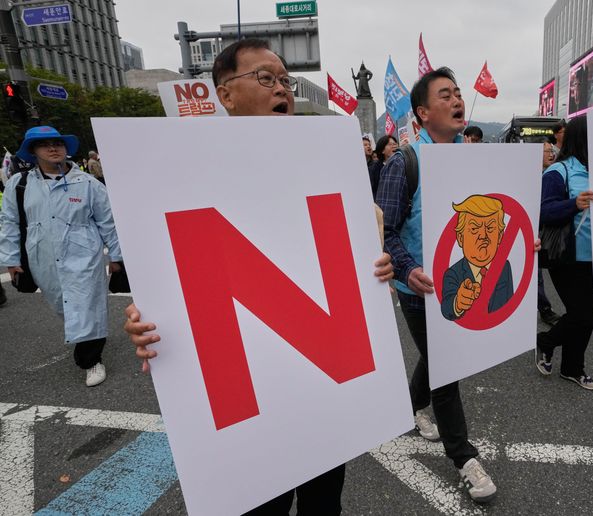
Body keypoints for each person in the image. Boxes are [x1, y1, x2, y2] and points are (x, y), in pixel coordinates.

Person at [121, 38, 394, 515]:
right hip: (248, 390)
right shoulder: (180, 174)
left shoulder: (328, 165)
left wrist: (375, 269)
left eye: (285, 80)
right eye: (265, 79)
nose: (280, 89)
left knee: (324, 499)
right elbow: (167, 271)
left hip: (319, 385)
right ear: (225, 95)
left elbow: (357, 251)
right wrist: (147, 318)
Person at [375, 67, 497, 503]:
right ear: (423, 113)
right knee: (447, 369)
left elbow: (497, 215)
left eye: (459, 93)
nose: (458, 100)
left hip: (463, 282)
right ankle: (465, 458)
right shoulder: (403, 163)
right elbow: (384, 231)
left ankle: (406, 407)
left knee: (440, 360)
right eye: (445, 95)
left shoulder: (475, 159)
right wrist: (408, 269)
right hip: (421, 290)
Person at [0, 125, 123, 386]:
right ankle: (88, 336)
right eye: (45, 144)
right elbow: (9, 221)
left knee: (87, 304)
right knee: (63, 304)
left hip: (84, 255)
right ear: (33, 152)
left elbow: (108, 222)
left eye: (58, 143)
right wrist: (11, 260)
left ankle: (91, 359)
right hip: (41, 257)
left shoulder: (88, 184)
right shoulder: (19, 185)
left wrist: (116, 256)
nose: (53, 148)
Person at [534, 115, 593, 390]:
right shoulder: (559, 171)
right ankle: (545, 342)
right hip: (568, 258)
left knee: (588, 318)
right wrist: (574, 204)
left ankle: (573, 368)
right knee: (580, 315)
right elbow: (543, 211)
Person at [441, 195, 513, 321]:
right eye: (474, 228)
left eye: (490, 228)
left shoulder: (504, 266)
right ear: (460, 238)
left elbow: (511, 306)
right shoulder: (453, 274)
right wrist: (458, 303)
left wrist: (529, 248)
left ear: (500, 236)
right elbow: (446, 308)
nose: (483, 235)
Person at [538, 142, 561, 325]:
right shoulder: (530, 176)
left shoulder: (554, 174)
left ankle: (544, 308)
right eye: (547, 151)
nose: (551, 154)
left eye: (552, 151)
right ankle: (545, 309)